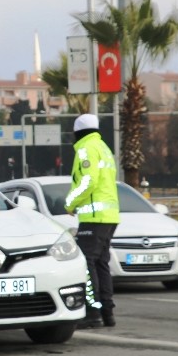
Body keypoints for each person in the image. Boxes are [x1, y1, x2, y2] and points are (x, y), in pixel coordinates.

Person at [63, 113, 120, 328]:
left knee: (86, 263)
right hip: (109, 216)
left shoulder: (86, 149)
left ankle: (92, 312)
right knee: (101, 263)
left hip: (94, 216)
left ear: (78, 132)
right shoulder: (104, 148)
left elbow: (88, 181)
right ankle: (107, 312)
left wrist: (70, 202)